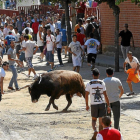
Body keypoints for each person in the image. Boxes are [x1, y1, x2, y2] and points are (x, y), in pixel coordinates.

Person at [85, 68, 111, 140]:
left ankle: (95, 130)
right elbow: (105, 95)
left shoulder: (89, 83)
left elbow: (86, 95)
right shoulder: (102, 83)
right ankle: (100, 136)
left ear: (92, 75)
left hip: (93, 104)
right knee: (101, 122)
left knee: (93, 120)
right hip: (102, 103)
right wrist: (108, 105)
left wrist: (87, 105)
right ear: (99, 75)